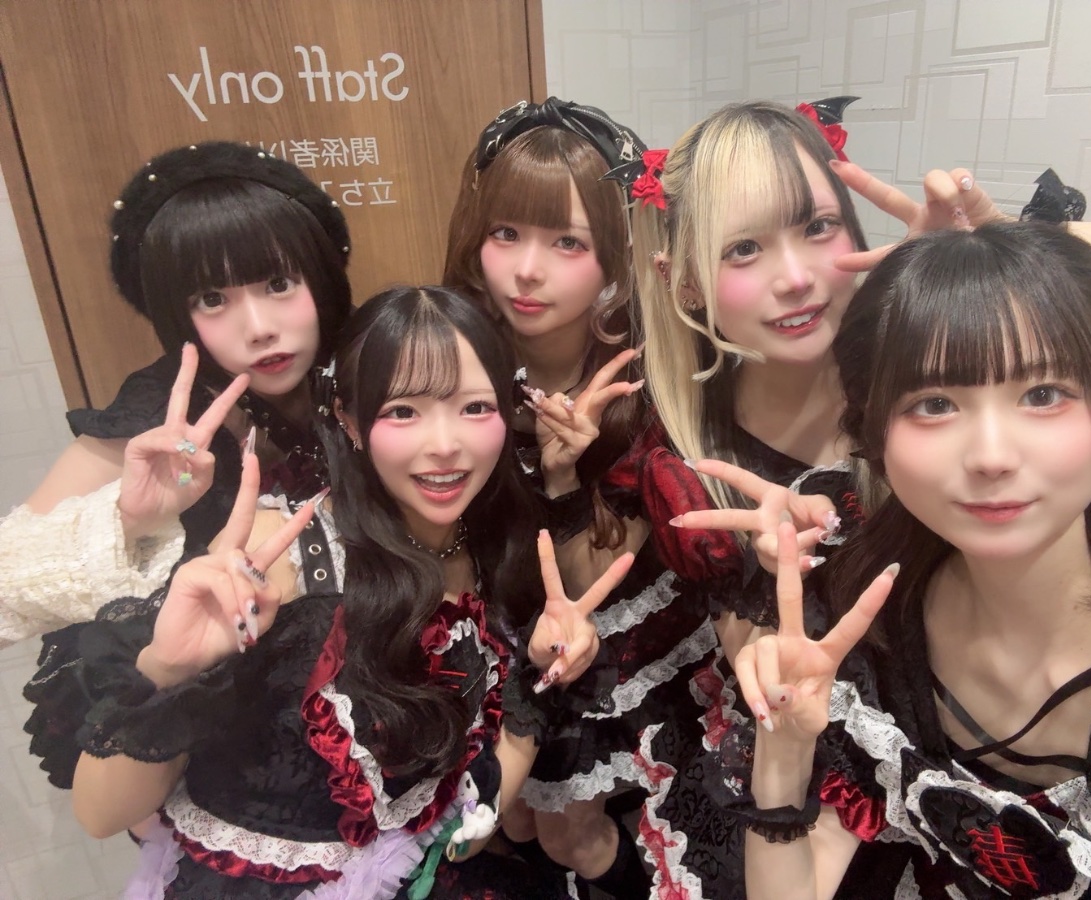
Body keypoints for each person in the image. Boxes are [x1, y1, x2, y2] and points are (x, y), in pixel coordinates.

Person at [27, 286, 632, 899]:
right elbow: (100, 815)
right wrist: (168, 669)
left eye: (475, 407)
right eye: (403, 411)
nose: (445, 444)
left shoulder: (489, 541)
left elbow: (461, 831)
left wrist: (536, 684)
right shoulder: (278, 559)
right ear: (348, 419)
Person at [723, 223, 1091, 898]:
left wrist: (1020, 239)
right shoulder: (866, 619)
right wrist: (784, 745)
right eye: (935, 404)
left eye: (1043, 394)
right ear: (873, 431)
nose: (991, 456)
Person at [2, 141, 353, 646]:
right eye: (212, 299)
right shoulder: (164, 414)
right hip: (225, 681)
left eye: (279, 284)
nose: (259, 328)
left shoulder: (369, 360)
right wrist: (128, 520)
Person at [442, 98, 660, 896]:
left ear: (615, 260)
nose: (527, 271)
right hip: (491, 639)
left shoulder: (642, 388)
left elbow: (599, 584)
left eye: (568, 242)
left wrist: (568, 478)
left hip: (603, 648)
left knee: (573, 833)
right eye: (505, 233)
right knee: (515, 827)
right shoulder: (451, 358)